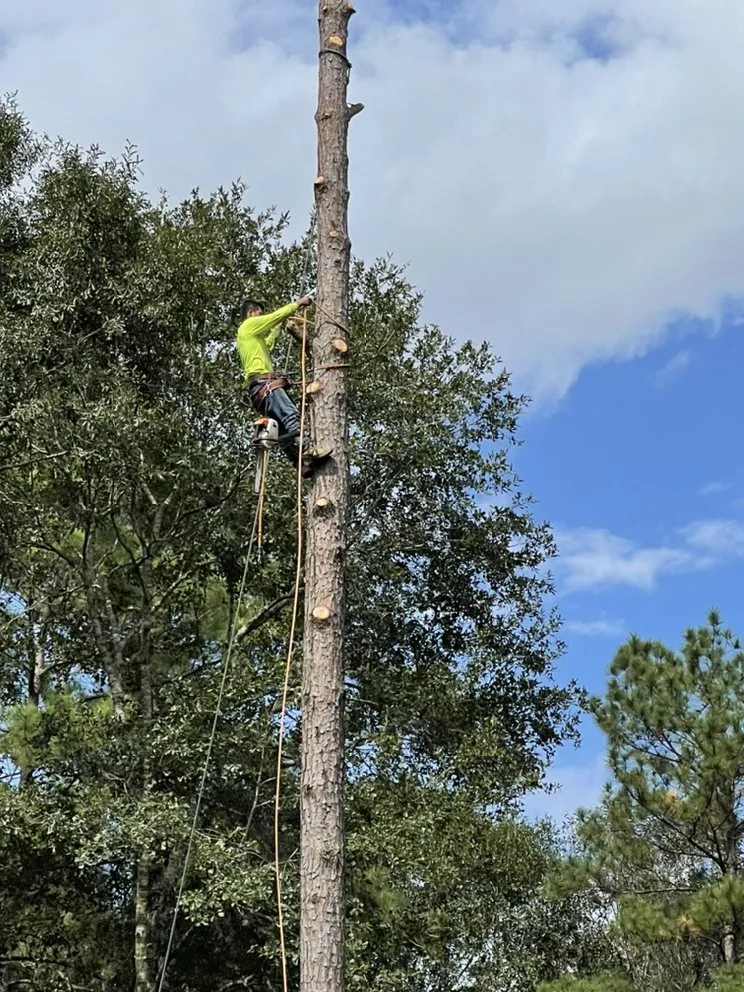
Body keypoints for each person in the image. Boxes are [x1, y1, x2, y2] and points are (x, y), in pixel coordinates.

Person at [236, 296, 332, 477]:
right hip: (266, 384)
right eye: (258, 314)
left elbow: (269, 341)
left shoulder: (251, 339)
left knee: (282, 429)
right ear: (250, 313)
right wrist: (296, 305)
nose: (260, 317)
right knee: (290, 415)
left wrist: (279, 326)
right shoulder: (247, 326)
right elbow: (273, 317)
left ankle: (300, 463)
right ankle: (308, 448)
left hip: (259, 390)